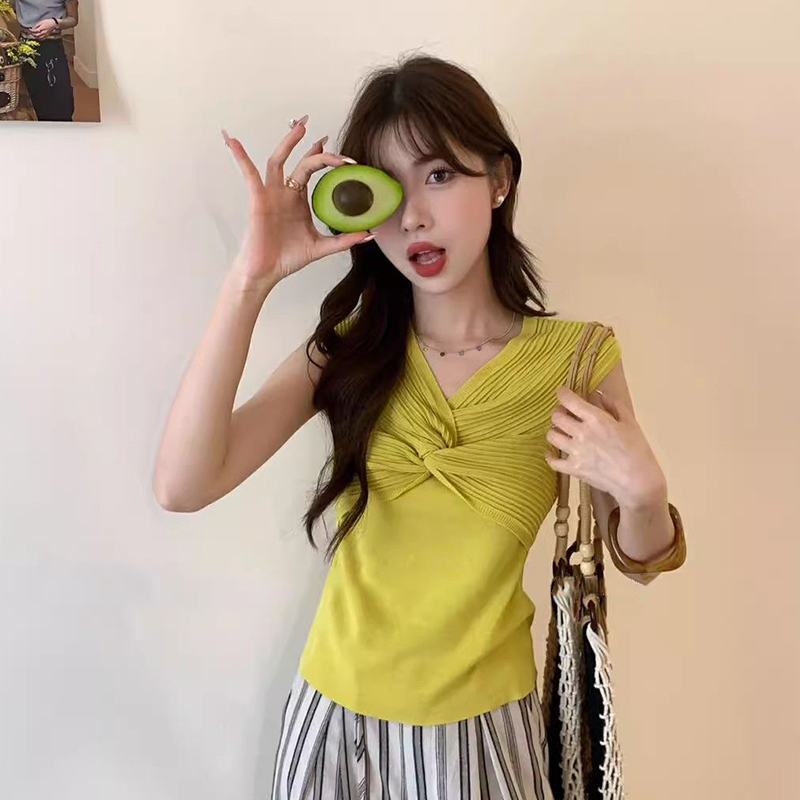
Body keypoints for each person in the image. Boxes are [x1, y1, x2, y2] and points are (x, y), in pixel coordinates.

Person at [152, 53, 684, 800]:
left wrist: (645, 493)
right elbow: (182, 485)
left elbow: (642, 560)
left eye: (438, 175)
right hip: (332, 722)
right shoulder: (347, 350)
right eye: (387, 188)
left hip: (484, 733)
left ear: (499, 180)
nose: (412, 218)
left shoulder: (576, 359)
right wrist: (251, 279)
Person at [11, 0, 78, 121]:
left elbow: (73, 19)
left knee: (61, 104)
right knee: (32, 101)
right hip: (25, 46)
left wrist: (55, 23)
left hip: (52, 46)